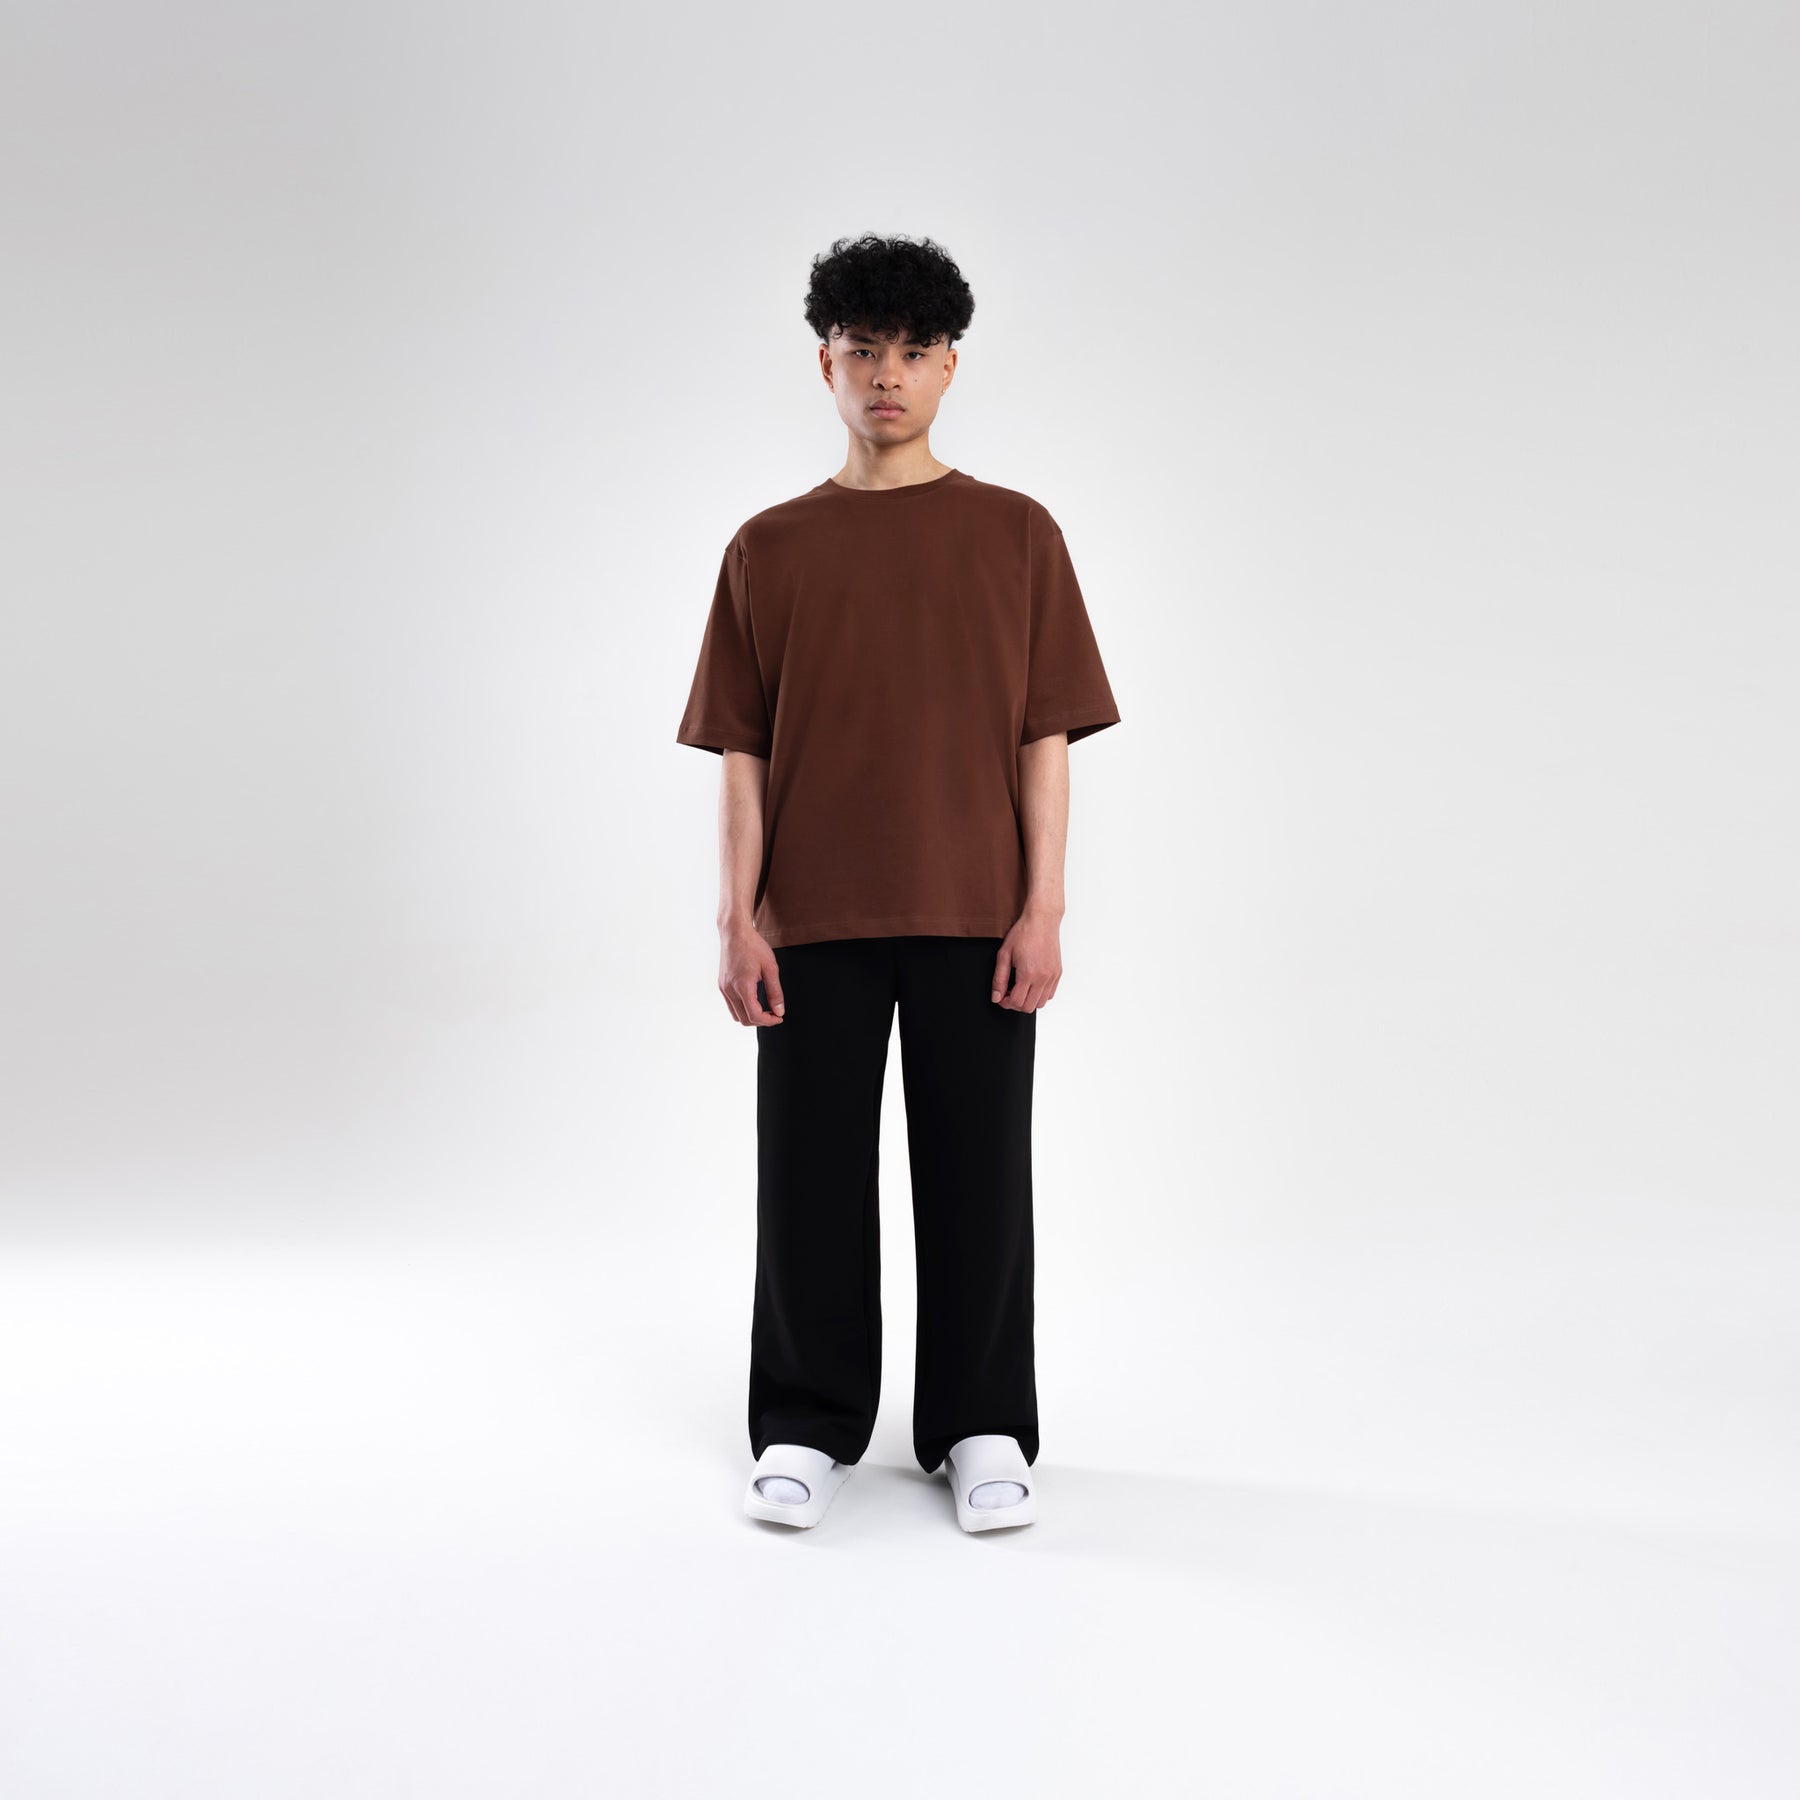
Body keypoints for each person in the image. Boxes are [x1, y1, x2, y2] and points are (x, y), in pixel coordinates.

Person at [675, 233, 1121, 1533]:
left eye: (915, 353)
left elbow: (1045, 738)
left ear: (949, 368)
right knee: (807, 1177)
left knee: (980, 1176)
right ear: (825, 361)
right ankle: (804, 1422)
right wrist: (736, 918)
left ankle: (981, 1426)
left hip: (976, 910)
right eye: (864, 350)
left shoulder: (1017, 534)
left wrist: (1044, 907)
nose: (888, 375)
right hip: (812, 916)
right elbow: (744, 753)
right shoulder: (769, 548)